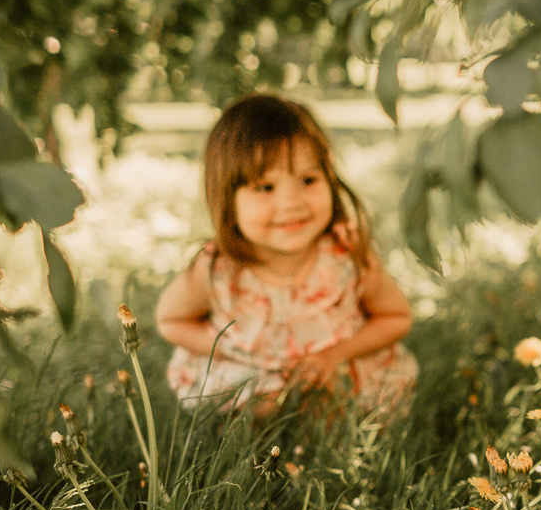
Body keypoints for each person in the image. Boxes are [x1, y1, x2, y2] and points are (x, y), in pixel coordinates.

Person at [156, 94, 417, 417]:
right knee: (261, 403)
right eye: (265, 188)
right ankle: (256, 453)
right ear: (226, 198)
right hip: (250, 372)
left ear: (330, 180)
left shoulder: (347, 254)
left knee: (332, 399)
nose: (291, 202)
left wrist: (338, 354)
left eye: (308, 180)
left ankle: (327, 450)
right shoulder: (218, 267)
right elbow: (171, 321)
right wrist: (228, 351)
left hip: (333, 366)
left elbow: (396, 317)